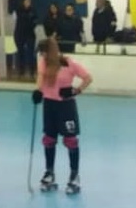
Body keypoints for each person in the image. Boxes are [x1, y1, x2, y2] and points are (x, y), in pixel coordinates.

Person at [34, 37, 92, 194]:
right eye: (41, 53)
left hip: (66, 106)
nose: (43, 55)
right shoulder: (43, 62)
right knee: (49, 139)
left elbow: (88, 78)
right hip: (49, 104)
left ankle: (74, 176)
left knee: (71, 140)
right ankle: (49, 173)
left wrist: (75, 91)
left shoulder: (68, 63)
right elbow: (41, 77)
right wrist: (38, 91)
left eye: (45, 52)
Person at [13, 0, 38, 79]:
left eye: (29, 1)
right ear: (23, 2)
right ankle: (21, 71)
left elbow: (35, 21)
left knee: (31, 53)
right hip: (19, 34)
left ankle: (32, 71)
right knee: (20, 52)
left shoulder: (33, 11)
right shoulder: (18, 10)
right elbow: (18, 20)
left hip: (30, 34)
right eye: (26, 1)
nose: (28, 3)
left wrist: (31, 23)